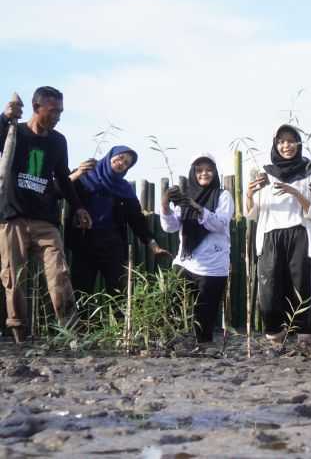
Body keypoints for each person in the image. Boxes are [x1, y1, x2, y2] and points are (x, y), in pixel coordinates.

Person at [0, 87, 92, 343]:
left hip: (45, 219)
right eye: (53, 111)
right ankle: (19, 334)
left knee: (59, 273)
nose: (58, 117)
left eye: (60, 112)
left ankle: (71, 333)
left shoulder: (58, 141)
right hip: (13, 218)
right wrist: (4, 117)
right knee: (13, 278)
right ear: (36, 107)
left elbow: (63, 176)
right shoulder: (13, 132)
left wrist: (79, 206)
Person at [246, 125, 311, 346]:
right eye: (281, 141)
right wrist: (250, 193)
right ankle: (275, 336)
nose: (286, 145)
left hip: (300, 234)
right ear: (275, 144)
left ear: (299, 143)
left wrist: (296, 193)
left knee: (301, 288)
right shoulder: (263, 172)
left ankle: (305, 338)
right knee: (269, 290)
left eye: (291, 141)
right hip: (270, 236)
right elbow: (251, 214)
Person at [66, 146, 169, 297]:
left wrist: (153, 246)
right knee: (81, 292)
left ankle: (118, 321)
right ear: (110, 156)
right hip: (83, 243)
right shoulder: (83, 176)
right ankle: (81, 322)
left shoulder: (124, 189)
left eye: (127, 163)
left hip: (112, 246)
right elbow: (60, 189)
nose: (122, 163)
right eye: (120, 158)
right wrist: (77, 174)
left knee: (118, 294)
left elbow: (137, 220)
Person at [160, 154, 232, 344]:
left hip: (213, 267)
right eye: (199, 170)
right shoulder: (185, 197)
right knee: (171, 307)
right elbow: (170, 227)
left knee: (204, 320)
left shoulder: (223, 196)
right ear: (193, 173)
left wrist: (197, 208)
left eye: (208, 170)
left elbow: (220, 224)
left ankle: (204, 351)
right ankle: (170, 346)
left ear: (215, 172)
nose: (204, 173)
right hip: (185, 263)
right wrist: (165, 204)